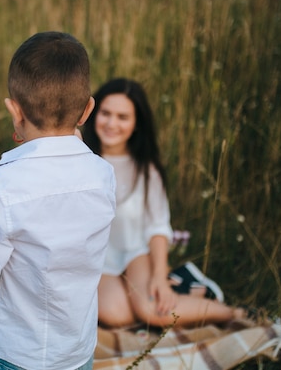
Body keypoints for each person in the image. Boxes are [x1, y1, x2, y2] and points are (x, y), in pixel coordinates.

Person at [0, 32, 116, 370]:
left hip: (18, 353)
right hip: (77, 351)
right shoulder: (103, 175)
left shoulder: (2, 184)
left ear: (14, 111)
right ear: (88, 109)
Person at [82, 78, 246, 328]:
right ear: (93, 113)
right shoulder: (80, 159)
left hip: (135, 253)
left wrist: (159, 277)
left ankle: (233, 313)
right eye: (106, 113)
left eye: (123, 117)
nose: (112, 124)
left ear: (136, 124)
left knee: (152, 312)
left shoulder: (146, 169)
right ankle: (188, 287)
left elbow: (158, 226)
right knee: (119, 316)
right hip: (99, 258)